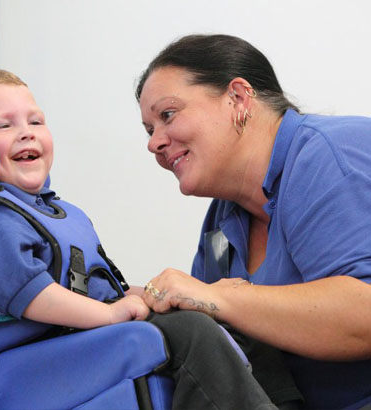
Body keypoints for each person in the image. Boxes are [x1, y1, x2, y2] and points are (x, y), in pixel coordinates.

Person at [0, 69, 286, 410]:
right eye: (3, 125)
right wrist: (108, 314)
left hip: (73, 337)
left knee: (230, 321)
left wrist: (149, 296)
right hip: (33, 355)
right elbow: (26, 293)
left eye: (36, 121)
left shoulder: (49, 210)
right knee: (189, 332)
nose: (27, 133)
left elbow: (94, 285)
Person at [136, 34, 371, 410]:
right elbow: (219, 341)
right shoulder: (223, 218)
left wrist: (217, 296)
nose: (154, 144)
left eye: (167, 115)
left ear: (239, 98)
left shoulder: (328, 154)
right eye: (149, 131)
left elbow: (365, 315)